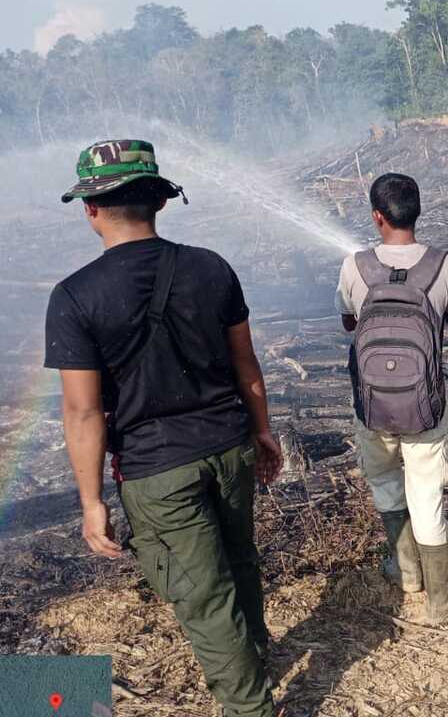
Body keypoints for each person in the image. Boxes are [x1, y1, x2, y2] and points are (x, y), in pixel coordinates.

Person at [46, 140, 283, 717]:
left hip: (157, 471)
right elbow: (245, 362)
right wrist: (263, 430)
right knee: (239, 559)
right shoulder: (210, 267)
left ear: (91, 209)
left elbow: (82, 412)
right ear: (159, 202)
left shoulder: (75, 296)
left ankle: (250, 706)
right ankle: (253, 657)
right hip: (229, 447)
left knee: (203, 596)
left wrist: (91, 500)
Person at [336, 173, 448, 626]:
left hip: (373, 408)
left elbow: (348, 323)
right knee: (427, 496)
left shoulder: (353, 265)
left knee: (385, 484)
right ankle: (440, 599)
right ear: (417, 212)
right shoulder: (443, 264)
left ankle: (406, 570)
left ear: (377, 216)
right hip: (425, 408)